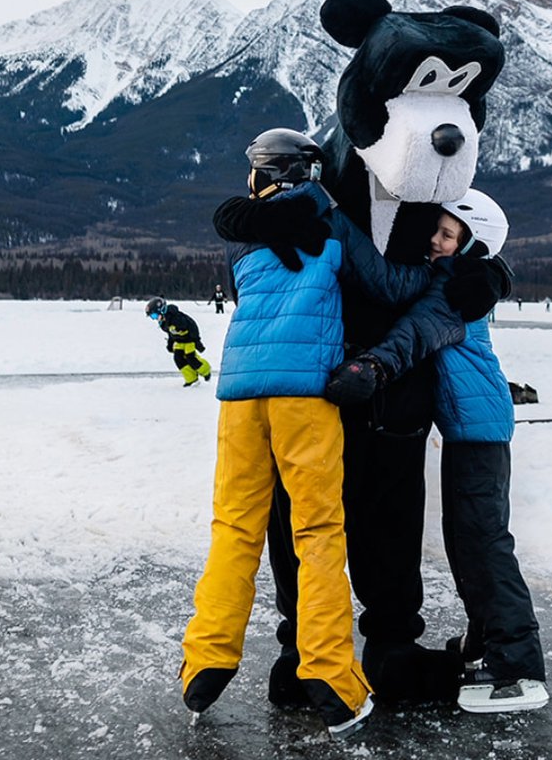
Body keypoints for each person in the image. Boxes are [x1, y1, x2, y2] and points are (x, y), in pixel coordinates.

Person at [180, 128, 435, 737]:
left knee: (236, 525)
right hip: (305, 396)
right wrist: (437, 273)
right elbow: (387, 285)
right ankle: (329, 674)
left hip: (241, 393)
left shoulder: (242, 234)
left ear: (265, 171)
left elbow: (245, 288)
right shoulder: (333, 222)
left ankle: (205, 661)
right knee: (318, 530)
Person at [326, 190, 548, 713]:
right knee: (465, 540)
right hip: (468, 427)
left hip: (480, 430)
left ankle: (518, 663)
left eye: (449, 235)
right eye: (438, 230)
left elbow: (416, 332)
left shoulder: (456, 288)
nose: (435, 240)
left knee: (484, 542)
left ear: (474, 245)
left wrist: (374, 367)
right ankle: (482, 643)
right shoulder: (460, 280)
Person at [145, 298, 211, 386]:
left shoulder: (176, 318)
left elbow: (192, 326)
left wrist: (197, 341)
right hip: (179, 341)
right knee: (178, 359)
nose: (154, 319)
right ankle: (191, 379)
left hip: (189, 340)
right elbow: (171, 333)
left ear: (161, 310)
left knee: (191, 358)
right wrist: (170, 344)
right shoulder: (163, 323)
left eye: (154, 316)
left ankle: (206, 371)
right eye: (152, 317)